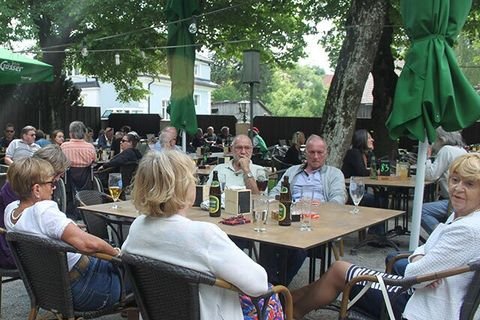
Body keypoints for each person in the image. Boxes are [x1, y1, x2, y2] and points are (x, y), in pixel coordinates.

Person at [292, 153, 480, 320]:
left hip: (417, 304)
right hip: (416, 291)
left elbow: (414, 274)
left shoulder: (468, 229)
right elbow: (424, 250)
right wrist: (421, 258)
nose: (458, 188)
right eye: (455, 180)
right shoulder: (463, 216)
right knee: (339, 269)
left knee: (340, 271)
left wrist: (422, 265)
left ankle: (291, 309)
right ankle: (288, 301)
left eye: (469, 183)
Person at [122, 150, 284, 320]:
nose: (195, 183)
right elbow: (258, 285)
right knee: (273, 298)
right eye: (193, 179)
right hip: (206, 314)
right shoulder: (204, 235)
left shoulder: (138, 226)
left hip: (158, 313)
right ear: (183, 188)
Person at [4, 157, 123, 311]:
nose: (54, 187)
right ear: (37, 190)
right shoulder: (43, 211)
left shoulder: (11, 211)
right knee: (142, 274)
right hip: (86, 286)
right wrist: (117, 254)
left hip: (50, 290)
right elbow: (89, 245)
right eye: (51, 183)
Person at [264, 135, 346, 285]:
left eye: (320, 152)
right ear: (305, 153)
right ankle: (268, 284)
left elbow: (339, 199)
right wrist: (286, 203)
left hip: (315, 221)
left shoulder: (334, 174)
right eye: (312, 152)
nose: (316, 156)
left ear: (326, 153)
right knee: (265, 238)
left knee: (299, 244)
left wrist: (321, 206)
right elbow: (274, 193)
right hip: (290, 216)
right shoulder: (292, 171)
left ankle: (279, 287)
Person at [0, 144, 70, 269]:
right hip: (13, 249)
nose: (60, 178)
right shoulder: (21, 187)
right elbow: (29, 227)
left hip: (22, 244)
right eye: (58, 174)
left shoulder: (29, 183)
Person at [421, 127, 467, 235]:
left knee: (421, 210)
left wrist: (427, 157)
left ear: (441, 139)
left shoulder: (446, 150)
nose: (433, 142)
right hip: (460, 198)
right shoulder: (462, 150)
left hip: (451, 200)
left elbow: (430, 176)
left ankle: (440, 236)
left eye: (435, 139)